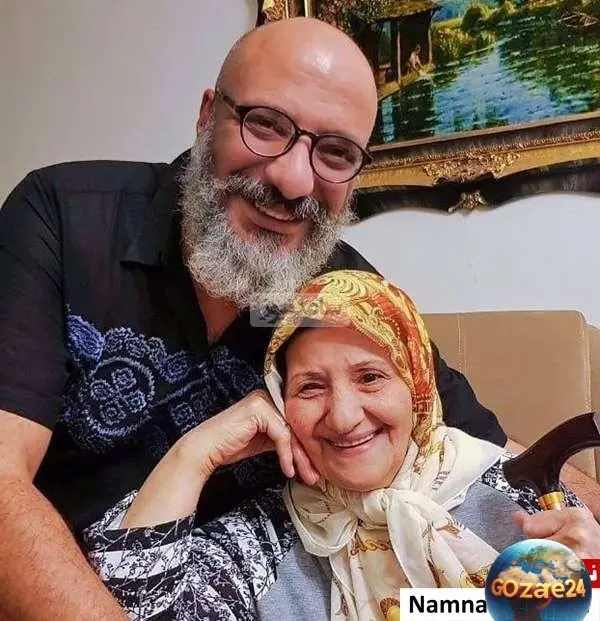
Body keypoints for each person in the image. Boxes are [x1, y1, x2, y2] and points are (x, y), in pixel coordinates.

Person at [0, 15, 598, 621]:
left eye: (335, 152)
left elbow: (476, 444)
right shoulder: (65, 219)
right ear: (207, 118)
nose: (292, 181)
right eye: (265, 125)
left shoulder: (339, 294)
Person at [83, 270, 600, 620]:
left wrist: (592, 588)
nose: (344, 417)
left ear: (418, 387)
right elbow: (130, 606)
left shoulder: (518, 491)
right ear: (281, 404)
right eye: (310, 387)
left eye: (371, 377)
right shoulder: (265, 539)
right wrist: (195, 454)